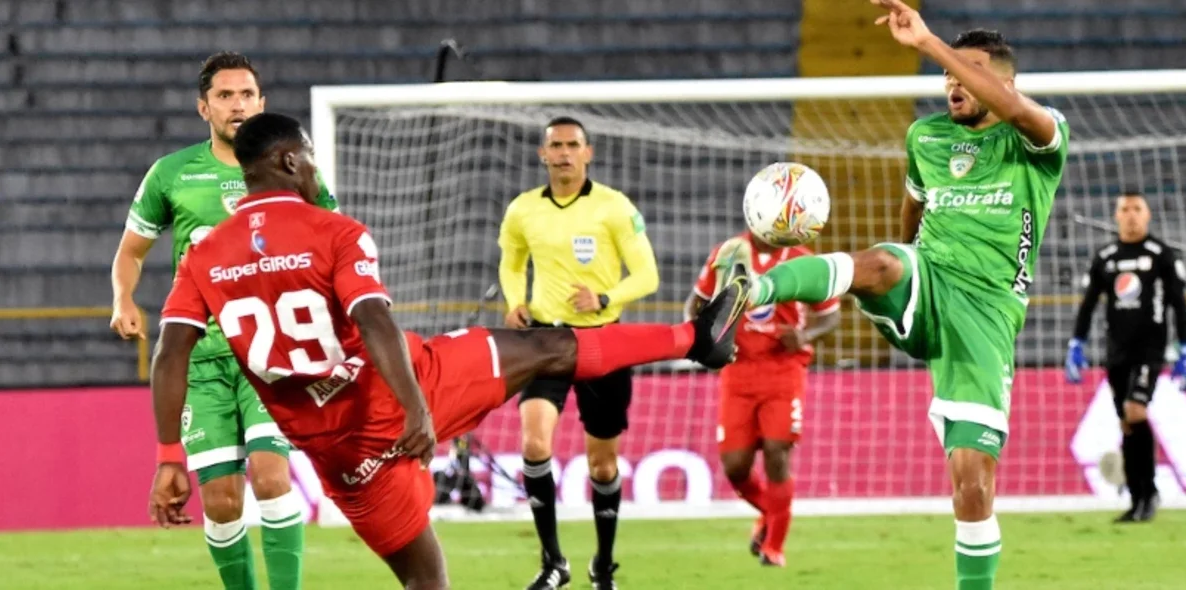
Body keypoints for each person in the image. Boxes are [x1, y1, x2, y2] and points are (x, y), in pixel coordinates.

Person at [145, 112, 750, 590]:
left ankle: (697, 340)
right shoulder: (336, 231)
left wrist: (171, 454)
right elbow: (373, 319)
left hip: (339, 452)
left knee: (426, 578)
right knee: (546, 346)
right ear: (286, 159)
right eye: (306, 157)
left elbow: (170, 355)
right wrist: (415, 408)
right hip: (404, 389)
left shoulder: (203, 253)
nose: (312, 170)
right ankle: (695, 339)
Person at [727, 3, 1071, 587]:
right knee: (885, 258)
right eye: (946, 75)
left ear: (1003, 82)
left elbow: (1014, 109)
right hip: (926, 280)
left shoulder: (1040, 135)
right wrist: (896, 271)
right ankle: (756, 285)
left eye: (967, 73)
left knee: (972, 483)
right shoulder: (927, 136)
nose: (952, 84)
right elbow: (911, 207)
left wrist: (931, 43)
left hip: (985, 317)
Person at [110, 51, 338, 590]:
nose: (237, 105)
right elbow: (130, 252)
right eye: (225, 96)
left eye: (246, 95)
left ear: (262, 103)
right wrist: (124, 299)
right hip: (201, 357)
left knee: (270, 474)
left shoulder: (294, 167)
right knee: (220, 499)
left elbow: (331, 243)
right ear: (203, 108)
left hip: (269, 351)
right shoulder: (172, 173)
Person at [497, 116, 660, 589]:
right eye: (556, 146)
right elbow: (511, 263)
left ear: (588, 153)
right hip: (546, 341)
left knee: (602, 465)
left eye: (573, 145)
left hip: (603, 341)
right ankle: (553, 563)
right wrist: (514, 302)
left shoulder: (614, 207)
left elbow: (647, 275)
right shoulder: (523, 210)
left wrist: (605, 298)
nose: (564, 153)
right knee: (533, 444)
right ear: (542, 155)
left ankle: (602, 564)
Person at [684, 232, 840, 567]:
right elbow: (694, 303)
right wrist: (705, 343)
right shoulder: (728, 253)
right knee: (735, 467)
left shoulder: (803, 258)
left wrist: (804, 336)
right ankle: (772, 514)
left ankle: (774, 547)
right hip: (737, 369)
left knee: (776, 451)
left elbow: (832, 314)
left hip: (783, 369)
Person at [1066, 191, 1186, 523]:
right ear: (1116, 215)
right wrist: (1076, 344)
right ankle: (1137, 498)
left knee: (1136, 411)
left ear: (1148, 214)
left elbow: (1179, 305)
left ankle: (1149, 491)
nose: (1131, 215)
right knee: (1126, 422)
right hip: (1117, 353)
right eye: (1125, 209)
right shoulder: (1106, 257)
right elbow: (1089, 304)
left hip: (1149, 350)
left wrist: (1185, 349)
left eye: (1137, 208)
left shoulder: (1161, 255)